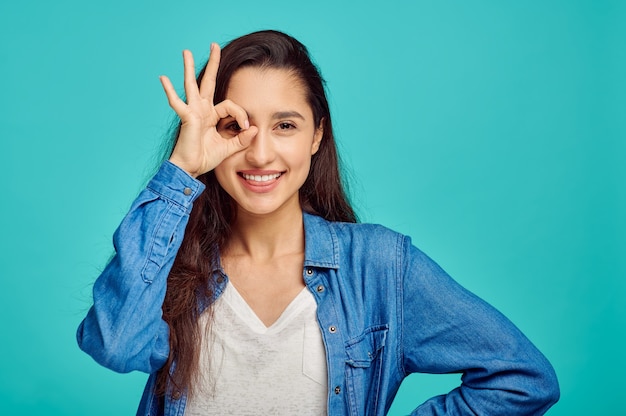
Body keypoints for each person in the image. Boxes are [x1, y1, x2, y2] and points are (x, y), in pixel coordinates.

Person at [76, 30, 560, 415]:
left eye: (285, 125)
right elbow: (115, 345)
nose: (260, 152)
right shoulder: (172, 263)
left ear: (316, 135)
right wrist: (182, 171)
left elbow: (523, 378)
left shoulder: (378, 267)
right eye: (235, 126)